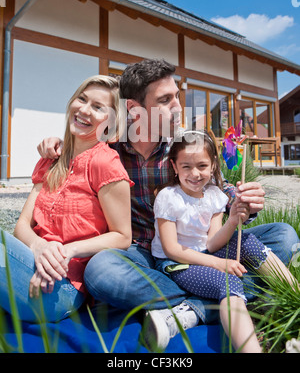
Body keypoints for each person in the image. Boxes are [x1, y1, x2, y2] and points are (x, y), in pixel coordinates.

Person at [37, 59, 299, 350]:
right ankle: (229, 298)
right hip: (143, 253)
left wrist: (246, 203)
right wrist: (55, 144)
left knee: (283, 236)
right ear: (135, 109)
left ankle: (195, 307)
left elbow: (216, 193)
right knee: (101, 271)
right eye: (165, 100)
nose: (177, 106)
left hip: (200, 245)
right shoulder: (108, 148)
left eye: (177, 96)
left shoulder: (185, 144)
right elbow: (76, 148)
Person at [0, 75, 133, 323]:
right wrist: (40, 247)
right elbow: (22, 226)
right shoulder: (52, 160)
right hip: (30, 263)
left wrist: (64, 252)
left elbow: (123, 236)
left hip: (60, 287)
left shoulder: (105, 162)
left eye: (97, 107)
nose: (84, 109)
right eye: (81, 99)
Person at [151, 130, 298, 353]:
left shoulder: (214, 195)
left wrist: (234, 221)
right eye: (186, 166)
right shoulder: (169, 197)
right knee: (228, 283)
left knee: (246, 240)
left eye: (201, 165)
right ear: (174, 166)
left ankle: (295, 296)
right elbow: (172, 249)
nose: (195, 174)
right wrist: (219, 265)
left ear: (213, 165)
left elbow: (212, 242)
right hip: (178, 262)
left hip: (205, 253)